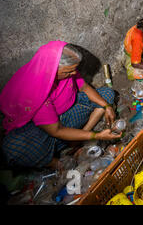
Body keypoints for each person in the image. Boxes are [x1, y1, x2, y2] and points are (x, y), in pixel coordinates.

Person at [0, 41, 121, 170]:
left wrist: (106, 106)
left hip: (66, 113)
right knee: (13, 148)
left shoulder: (66, 72)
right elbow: (57, 131)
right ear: (52, 69)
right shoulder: (34, 90)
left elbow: (84, 87)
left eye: (74, 70)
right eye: (68, 72)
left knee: (107, 94)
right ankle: (57, 163)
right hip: (46, 131)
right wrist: (96, 136)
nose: (73, 74)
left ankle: (79, 137)